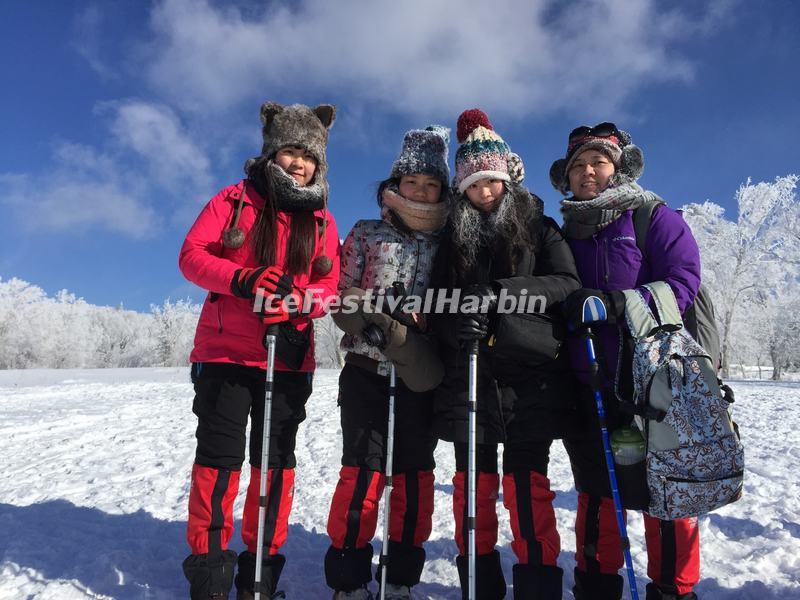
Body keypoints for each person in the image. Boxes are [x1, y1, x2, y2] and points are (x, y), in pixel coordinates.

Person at [178, 102, 340, 600]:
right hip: (226, 356)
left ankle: (259, 576)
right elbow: (192, 257)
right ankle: (209, 575)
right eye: (290, 150)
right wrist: (243, 278)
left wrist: (301, 301)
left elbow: (329, 284)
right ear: (272, 152)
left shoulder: (322, 219)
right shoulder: (233, 200)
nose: (299, 163)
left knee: (274, 469)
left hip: (288, 357)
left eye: (308, 155)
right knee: (219, 465)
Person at [430, 109, 581, 600]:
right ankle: (480, 583)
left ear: (506, 176)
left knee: (527, 488)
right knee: (472, 490)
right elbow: (438, 303)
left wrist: (501, 294)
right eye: (473, 185)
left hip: (530, 377)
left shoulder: (539, 224)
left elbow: (565, 283)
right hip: (469, 376)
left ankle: (538, 585)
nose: (484, 192)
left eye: (491, 181)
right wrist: (459, 323)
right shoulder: (453, 235)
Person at [551, 122, 702, 600]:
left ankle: (673, 590)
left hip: (657, 381)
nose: (587, 172)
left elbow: (684, 281)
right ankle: (596, 585)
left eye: (598, 162)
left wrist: (620, 304)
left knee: (667, 493)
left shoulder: (649, 215)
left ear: (618, 168)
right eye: (577, 165)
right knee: (597, 495)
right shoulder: (563, 230)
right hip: (591, 382)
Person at [324, 125, 451, 600]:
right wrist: (370, 312)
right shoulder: (365, 232)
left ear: (442, 190)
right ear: (394, 186)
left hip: (419, 375)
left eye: (430, 184)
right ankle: (348, 578)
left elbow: (457, 301)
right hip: (365, 371)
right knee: (362, 474)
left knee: (414, 479)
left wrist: (430, 315)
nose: (420, 191)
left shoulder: (449, 241)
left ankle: (400, 577)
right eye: (411, 182)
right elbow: (339, 292)